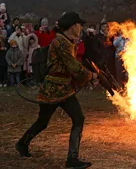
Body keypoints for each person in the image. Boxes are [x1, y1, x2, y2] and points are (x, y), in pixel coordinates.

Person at [15, 12, 99, 169]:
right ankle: (23, 144)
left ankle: (71, 158)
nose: (81, 28)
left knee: (74, 119)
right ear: (73, 26)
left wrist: (87, 79)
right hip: (54, 89)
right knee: (45, 121)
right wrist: (91, 75)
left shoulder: (69, 42)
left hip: (64, 89)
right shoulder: (60, 42)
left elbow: (72, 70)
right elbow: (73, 66)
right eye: (79, 25)